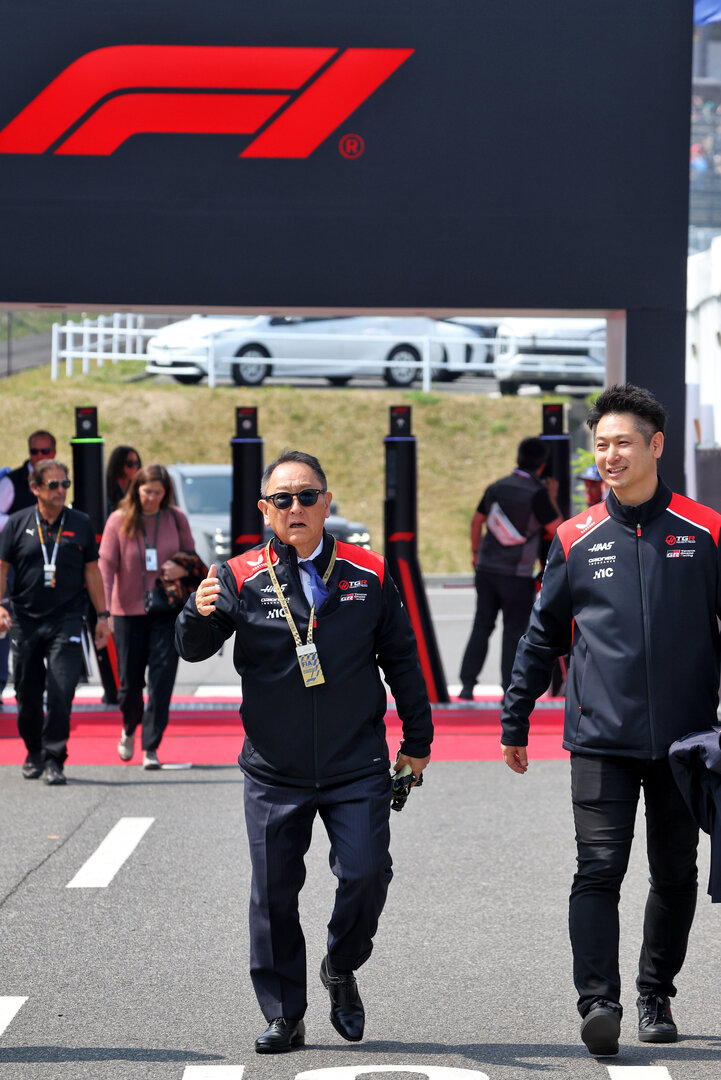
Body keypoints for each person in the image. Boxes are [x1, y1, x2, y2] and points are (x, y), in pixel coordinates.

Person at [175, 450, 433, 1054]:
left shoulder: (368, 572)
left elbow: (403, 661)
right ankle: (285, 1014)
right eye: (282, 499)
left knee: (367, 873)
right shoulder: (239, 574)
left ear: (327, 501)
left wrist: (417, 743)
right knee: (273, 895)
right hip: (275, 769)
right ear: (265, 509)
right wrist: (196, 608)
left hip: (355, 763)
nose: (296, 507)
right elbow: (191, 648)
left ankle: (341, 965)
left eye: (307, 496)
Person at [500, 384, 721, 1057]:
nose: (609, 454)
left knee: (674, 872)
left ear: (655, 446)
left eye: (622, 441)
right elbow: (542, 635)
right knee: (596, 868)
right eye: (599, 444)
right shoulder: (573, 535)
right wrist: (514, 717)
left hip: (686, 740)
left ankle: (655, 991)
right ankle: (598, 1000)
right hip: (599, 736)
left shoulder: (704, 530)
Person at [0, 458, 111, 785]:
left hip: (67, 620)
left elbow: (92, 570)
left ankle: (54, 757)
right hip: (25, 620)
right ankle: (34, 751)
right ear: (35, 488)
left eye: (65, 484)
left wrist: (102, 617)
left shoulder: (80, 523)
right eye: (53, 485)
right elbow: (2, 568)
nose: (61, 490)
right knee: (27, 697)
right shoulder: (18, 523)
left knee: (61, 691)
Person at [99, 464, 195, 769]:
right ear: (136, 490)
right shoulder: (119, 520)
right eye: (146, 492)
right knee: (128, 685)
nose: (151, 498)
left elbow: (191, 558)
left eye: (157, 492)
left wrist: (182, 567)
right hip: (127, 611)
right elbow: (105, 567)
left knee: (162, 680)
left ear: (165, 493)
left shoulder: (175, 518)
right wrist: (104, 612)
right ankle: (129, 728)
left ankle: (151, 746)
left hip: (166, 611)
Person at [458, 437, 562, 698]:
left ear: (517, 459)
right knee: (514, 632)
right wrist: (552, 498)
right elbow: (556, 529)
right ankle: (508, 689)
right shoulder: (537, 493)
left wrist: (474, 554)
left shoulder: (497, 486)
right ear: (541, 466)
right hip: (517, 576)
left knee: (482, 625)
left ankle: (468, 685)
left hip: (486, 570)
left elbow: (476, 521)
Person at [7, 430, 56, 513]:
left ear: (53, 453)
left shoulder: (58, 478)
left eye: (45, 451)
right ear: (29, 453)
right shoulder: (11, 482)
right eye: (34, 452)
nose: (39, 455)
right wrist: (19, 522)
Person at [106, 445, 142, 513]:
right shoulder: (104, 489)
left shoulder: (139, 487)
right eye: (130, 463)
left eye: (137, 463)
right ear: (118, 464)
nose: (135, 467)